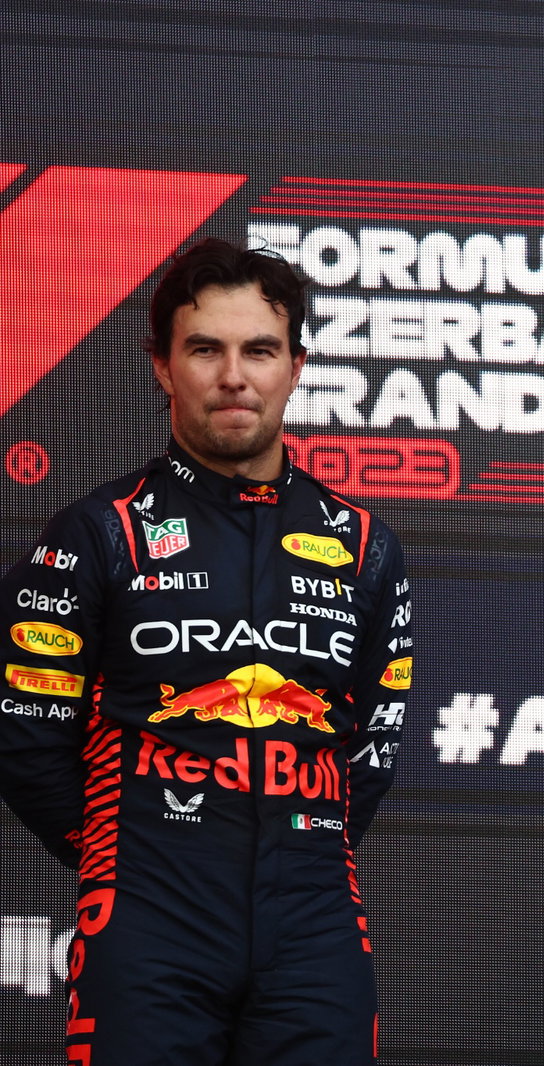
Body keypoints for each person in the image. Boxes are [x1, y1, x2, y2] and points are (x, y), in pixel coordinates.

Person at [0, 238, 413, 1065]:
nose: (234, 375)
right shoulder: (97, 534)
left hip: (315, 919)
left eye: (259, 350)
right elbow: (23, 737)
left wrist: (298, 836)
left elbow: (372, 744)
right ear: (163, 368)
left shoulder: (365, 544)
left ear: (296, 367)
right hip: (149, 917)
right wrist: (135, 849)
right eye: (205, 350)